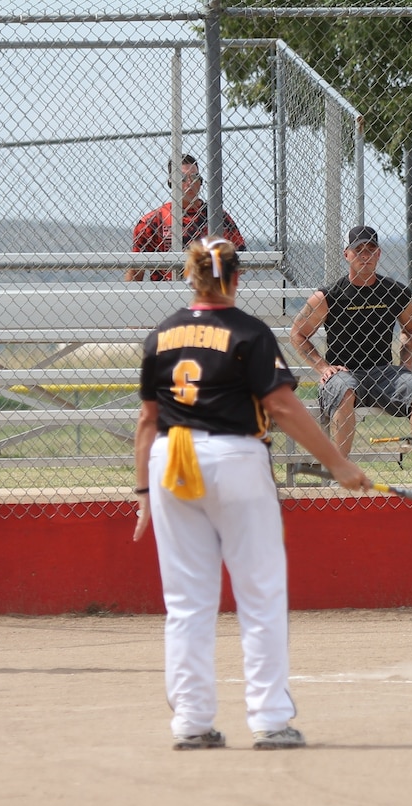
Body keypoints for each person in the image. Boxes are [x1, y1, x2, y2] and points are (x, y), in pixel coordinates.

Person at [133, 237, 372, 751]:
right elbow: (283, 408)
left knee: (187, 601)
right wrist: (338, 464)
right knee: (260, 594)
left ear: (190, 279)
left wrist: (141, 492)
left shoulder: (163, 333)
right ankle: (269, 719)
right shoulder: (249, 332)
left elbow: (147, 421)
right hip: (234, 459)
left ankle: (192, 722)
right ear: (236, 280)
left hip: (171, 461)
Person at [288, 226, 412, 485]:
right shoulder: (329, 295)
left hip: (382, 371)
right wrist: (323, 367)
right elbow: (298, 333)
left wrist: (406, 365)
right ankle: (339, 472)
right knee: (346, 390)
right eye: (359, 250)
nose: (365, 256)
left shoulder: (395, 292)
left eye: (371, 250)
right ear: (347, 255)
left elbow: (411, 330)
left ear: (379, 254)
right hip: (343, 373)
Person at [124, 154, 246, 282]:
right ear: (171, 181)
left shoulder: (217, 218)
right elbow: (135, 272)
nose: (190, 183)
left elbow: (241, 263)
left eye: (194, 177)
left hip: (206, 294)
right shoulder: (152, 222)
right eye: (182, 178)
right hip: (165, 294)